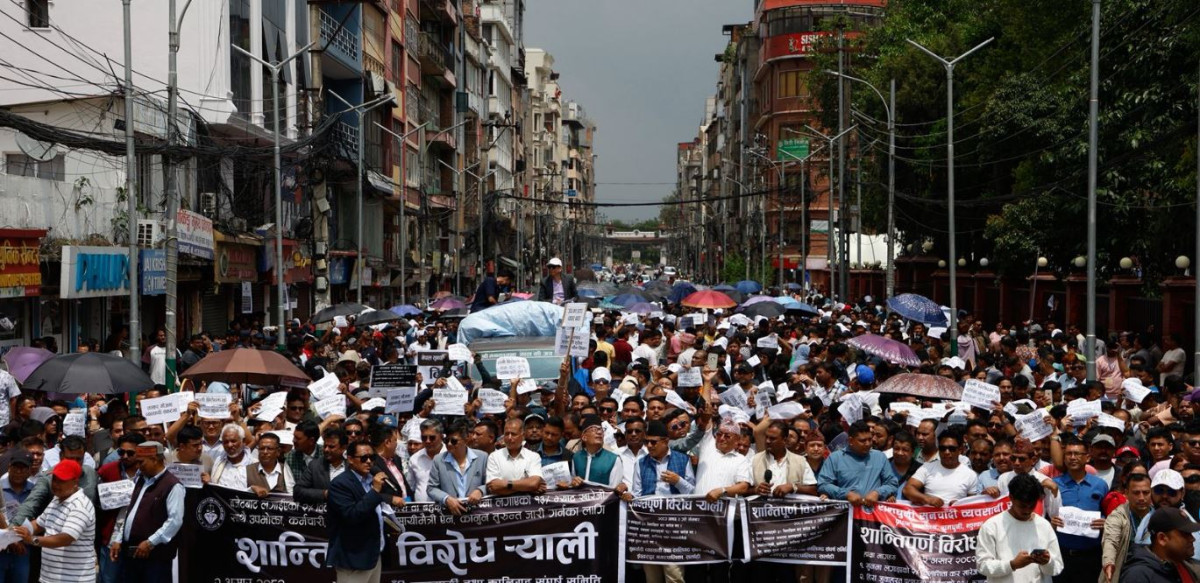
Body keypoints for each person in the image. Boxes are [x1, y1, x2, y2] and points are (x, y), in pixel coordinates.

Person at [108, 442, 185, 583]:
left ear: (154, 460)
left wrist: (151, 542)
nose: (138, 466)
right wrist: (119, 539)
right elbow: (131, 513)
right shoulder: (141, 480)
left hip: (155, 559)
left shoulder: (173, 485)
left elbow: (175, 521)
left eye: (141, 462)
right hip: (132, 557)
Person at [15, 459, 96, 583]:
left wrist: (32, 539)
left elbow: (66, 538)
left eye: (62, 481)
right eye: (54, 479)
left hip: (72, 579)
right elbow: (39, 523)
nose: (56, 484)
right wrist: (16, 532)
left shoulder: (80, 506)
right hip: (50, 578)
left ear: (75, 482)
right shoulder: (57, 499)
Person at [976, 473, 1063, 582]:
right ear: (1011, 498)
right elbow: (982, 565)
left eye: (1031, 505)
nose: (1027, 510)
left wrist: (1047, 562)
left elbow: (1057, 567)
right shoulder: (992, 526)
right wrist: (1012, 565)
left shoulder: (1044, 525)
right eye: (1022, 506)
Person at [326, 442, 388, 583]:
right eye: (363, 458)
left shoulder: (371, 481)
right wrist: (375, 491)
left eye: (372, 457)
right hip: (353, 558)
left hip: (373, 554)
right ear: (350, 459)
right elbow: (352, 515)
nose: (369, 461)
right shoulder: (340, 484)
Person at [1050, 436, 1108, 583]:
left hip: (1091, 557)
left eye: (1077, 454)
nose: (1072, 457)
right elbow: (1044, 516)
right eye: (1068, 454)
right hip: (1061, 555)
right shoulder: (1053, 485)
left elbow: (1110, 516)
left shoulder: (1100, 485)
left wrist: (1105, 522)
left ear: (1087, 457)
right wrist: (1051, 523)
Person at [817, 421, 898, 507]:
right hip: (845, 515)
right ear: (851, 440)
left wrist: (878, 493)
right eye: (862, 441)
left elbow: (892, 483)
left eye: (870, 439)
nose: (868, 444)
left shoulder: (880, 457)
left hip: (873, 515)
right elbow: (823, 485)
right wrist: (846, 494)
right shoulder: (835, 458)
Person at [1119, 507, 1200, 583]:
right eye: (1185, 534)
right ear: (1162, 538)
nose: (1192, 539)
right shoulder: (1138, 576)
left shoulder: (1182, 566)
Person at [903, 430, 981, 506]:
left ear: (960, 449)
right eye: (942, 448)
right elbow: (907, 489)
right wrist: (927, 499)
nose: (947, 452)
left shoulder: (970, 475)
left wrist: (959, 503)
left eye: (951, 449)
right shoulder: (927, 468)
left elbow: (972, 505)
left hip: (957, 517)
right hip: (929, 517)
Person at [1101, 473, 1153, 583]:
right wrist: (1109, 563)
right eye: (1136, 493)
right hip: (1123, 574)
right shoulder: (1118, 515)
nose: (1141, 498)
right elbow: (1110, 540)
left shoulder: (1158, 516)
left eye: (1146, 492)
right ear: (1126, 494)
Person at [427, 422, 487, 514]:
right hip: (450, 516)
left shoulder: (482, 457)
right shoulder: (438, 460)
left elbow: (490, 484)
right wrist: (446, 499)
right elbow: (431, 488)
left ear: (466, 439)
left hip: (477, 515)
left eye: (454, 441)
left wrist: (480, 491)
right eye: (446, 441)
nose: (449, 444)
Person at [751, 420, 817, 498]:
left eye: (772, 438)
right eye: (766, 437)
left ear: (784, 440)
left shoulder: (800, 461)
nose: (767, 441)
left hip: (791, 509)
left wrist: (793, 487)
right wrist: (756, 489)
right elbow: (744, 489)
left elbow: (813, 490)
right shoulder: (754, 460)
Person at [485, 419, 546, 496]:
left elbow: (533, 483)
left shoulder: (533, 456)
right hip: (501, 507)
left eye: (513, 434)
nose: (509, 438)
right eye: (506, 434)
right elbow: (493, 488)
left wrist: (505, 484)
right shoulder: (494, 456)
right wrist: (527, 488)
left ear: (523, 436)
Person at [296, 428, 348, 504]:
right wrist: (324, 494)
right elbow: (298, 491)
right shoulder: (315, 466)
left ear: (343, 448)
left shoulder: (352, 466)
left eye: (331, 447)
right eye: (325, 446)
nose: (326, 450)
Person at [245, 433, 293, 497]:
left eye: (269, 449)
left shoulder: (286, 469)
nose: (265, 452)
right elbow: (236, 492)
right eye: (262, 448)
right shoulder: (246, 470)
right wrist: (251, 489)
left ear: (278, 451)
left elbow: (292, 494)